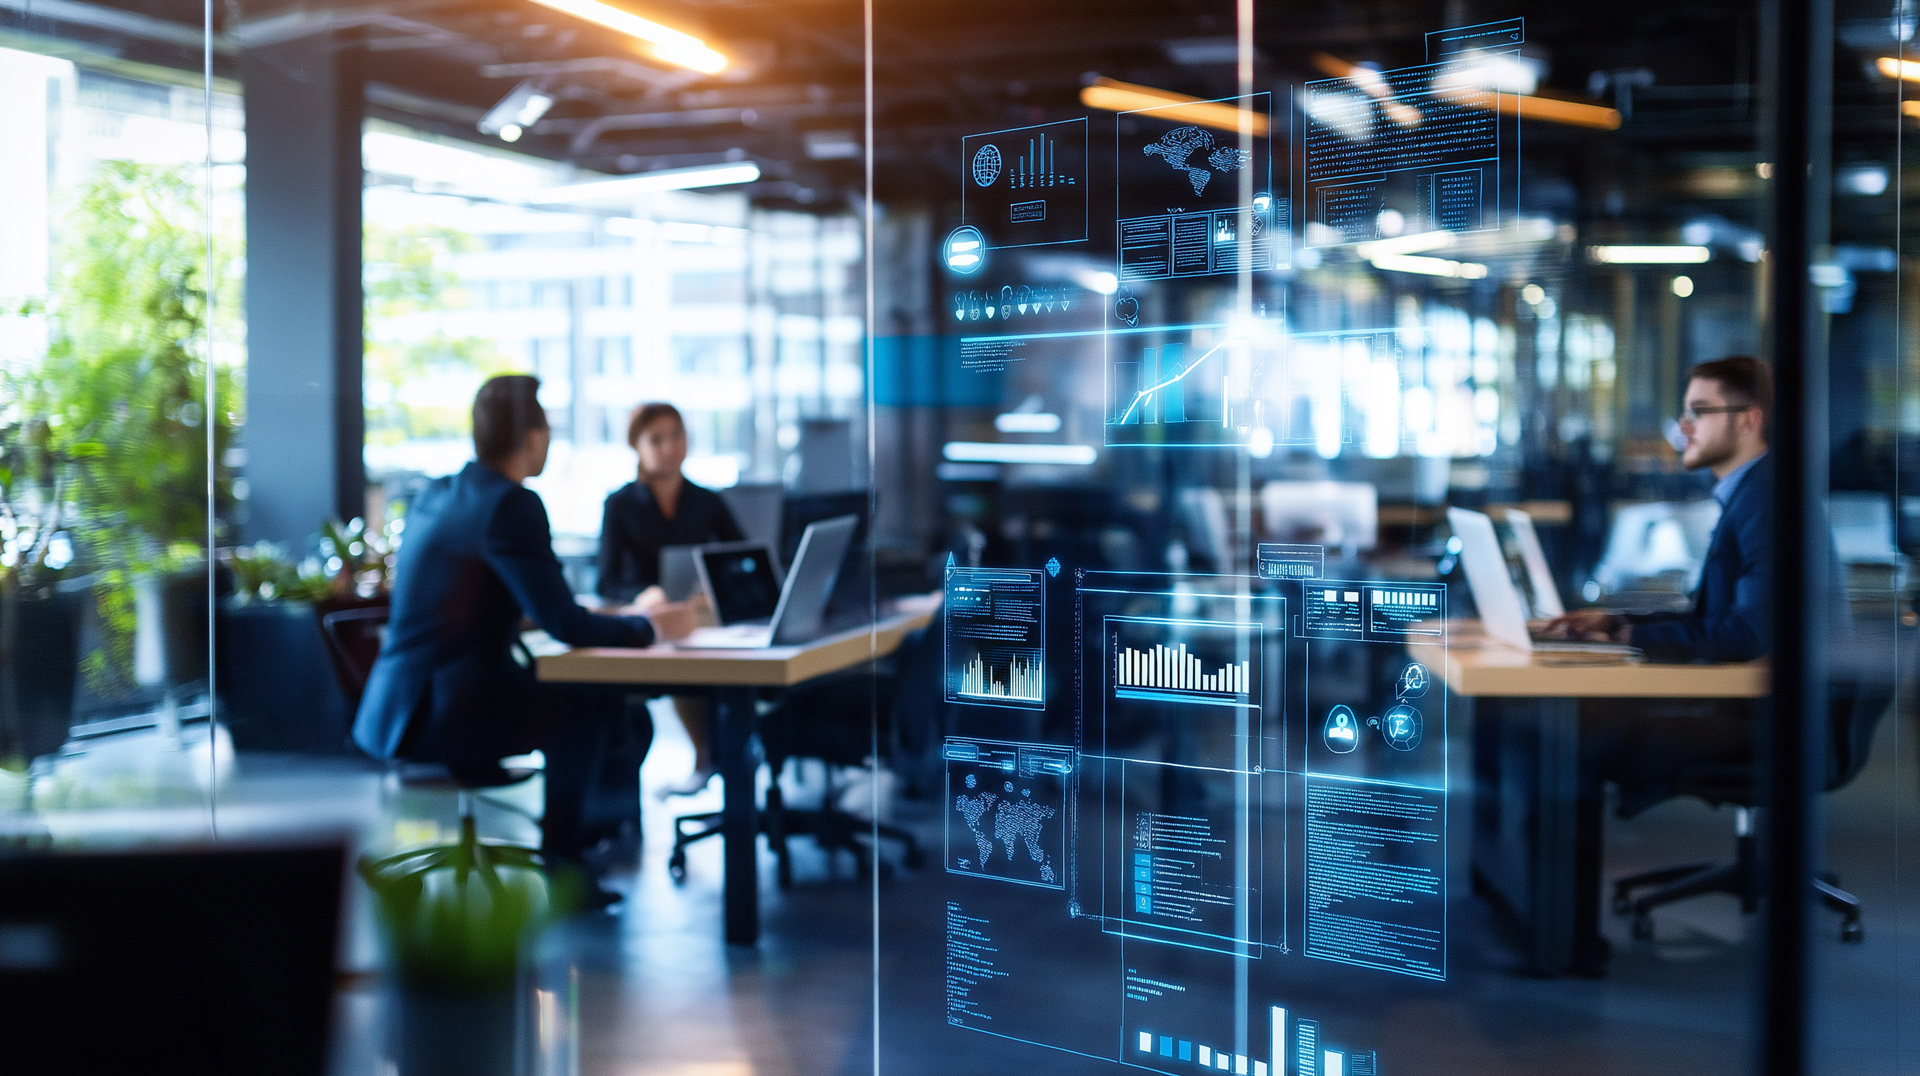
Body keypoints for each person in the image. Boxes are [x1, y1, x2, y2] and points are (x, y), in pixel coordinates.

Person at [353, 375, 696, 907]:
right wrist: (652, 626)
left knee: (619, 715)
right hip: (449, 712)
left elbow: (469, 596)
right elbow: (565, 623)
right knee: (591, 701)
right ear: (533, 438)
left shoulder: (437, 492)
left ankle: (592, 839)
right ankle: (565, 866)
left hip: (397, 705)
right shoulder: (511, 505)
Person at [1541, 356, 1774, 973]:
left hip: (1768, 721)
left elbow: (1748, 632)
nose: (1683, 427)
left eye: (1699, 412)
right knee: (1575, 720)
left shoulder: (1764, 501)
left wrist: (1632, 634)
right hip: (1754, 702)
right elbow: (1720, 617)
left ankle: (1562, 943)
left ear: (1748, 420)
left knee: (1577, 733)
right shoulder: (1750, 495)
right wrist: (1621, 622)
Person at [596, 402, 744, 796]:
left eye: (676, 435)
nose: (669, 447)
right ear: (637, 446)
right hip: (654, 625)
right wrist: (642, 594)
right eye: (656, 439)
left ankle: (727, 765)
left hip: (703, 620)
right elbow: (606, 580)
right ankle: (705, 757)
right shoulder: (620, 504)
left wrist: (716, 586)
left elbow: (741, 559)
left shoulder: (706, 500)